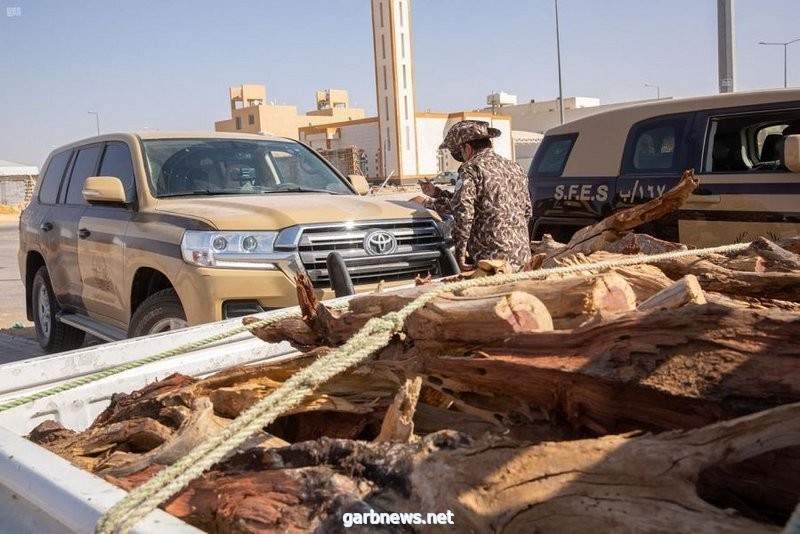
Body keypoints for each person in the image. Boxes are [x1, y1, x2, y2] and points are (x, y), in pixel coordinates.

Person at [436, 120, 532, 272]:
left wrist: (460, 253)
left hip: (491, 261)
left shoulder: (471, 169)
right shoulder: (515, 167)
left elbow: (463, 212)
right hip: (522, 258)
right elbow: (527, 210)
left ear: (467, 148)